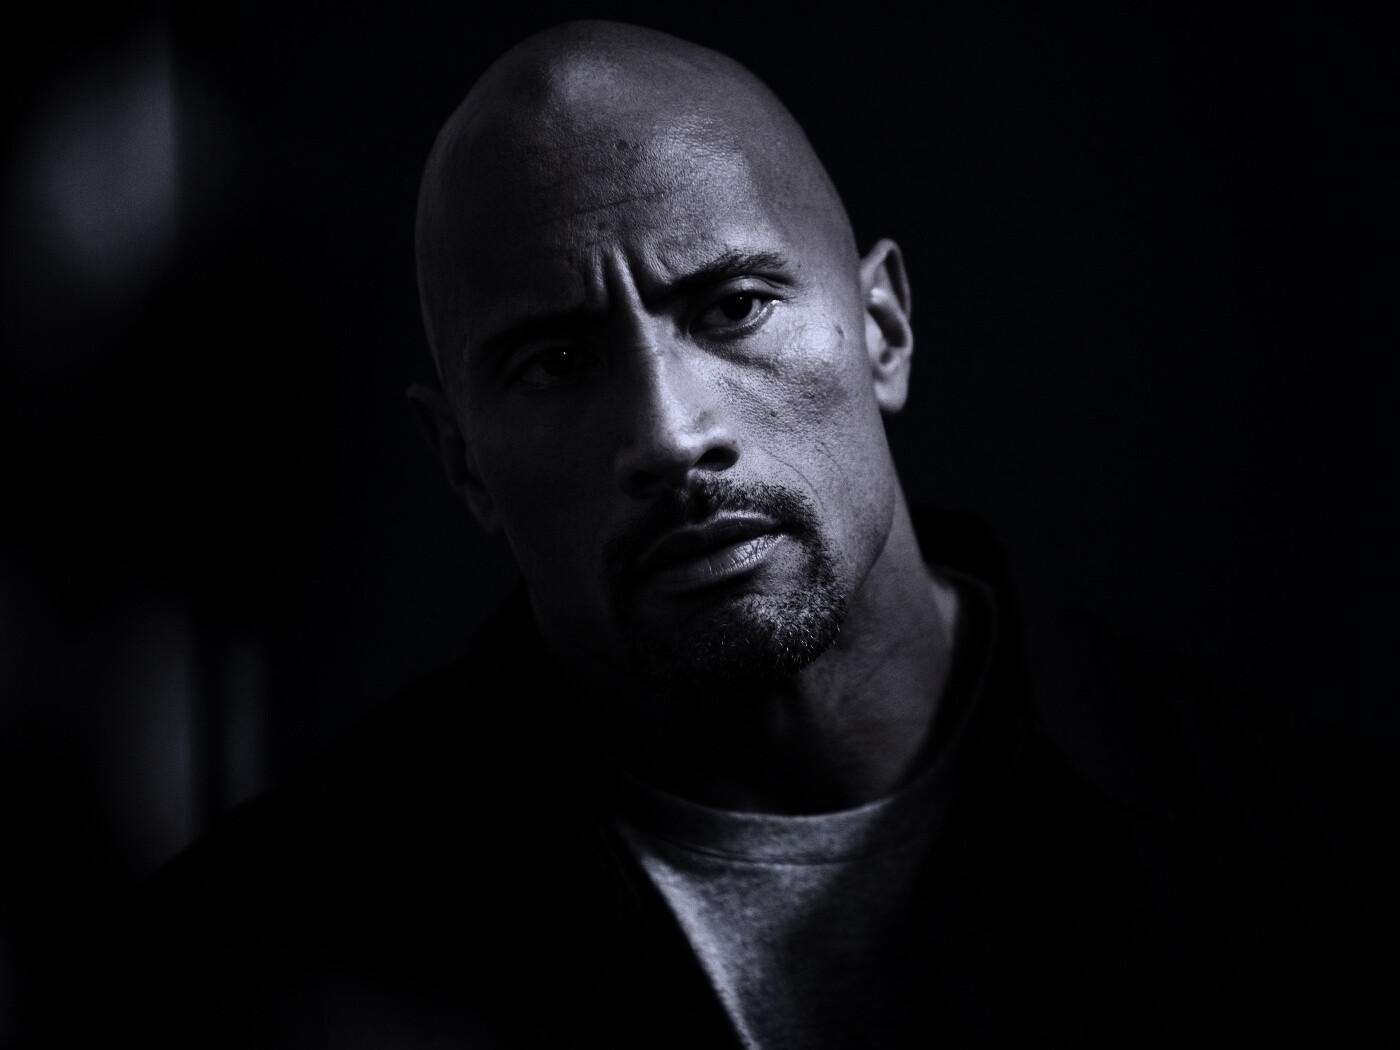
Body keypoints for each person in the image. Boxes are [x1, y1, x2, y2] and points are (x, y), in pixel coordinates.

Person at [87, 19, 1391, 1049]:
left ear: (882, 330)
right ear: (464, 464)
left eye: (733, 307)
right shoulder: (235, 974)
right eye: (554, 361)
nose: (669, 434)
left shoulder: (1316, 871)